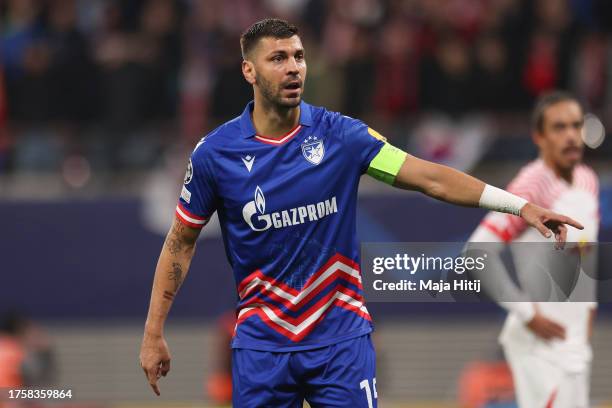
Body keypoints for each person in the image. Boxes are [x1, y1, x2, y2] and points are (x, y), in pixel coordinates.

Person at [139, 19, 582, 407]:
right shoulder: (216, 155)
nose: (293, 67)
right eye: (278, 58)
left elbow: (430, 177)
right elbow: (180, 242)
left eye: (299, 56)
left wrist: (519, 205)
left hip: (341, 341)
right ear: (249, 71)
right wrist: (154, 331)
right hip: (262, 347)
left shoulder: (342, 136)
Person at [468, 91, 599, 407]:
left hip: (574, 344)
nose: (571, 135)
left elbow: (585, 255)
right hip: (541, 345)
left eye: (576, 125)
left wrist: (586, 314)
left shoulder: (588, 180)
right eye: (559, 127)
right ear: (539, 137)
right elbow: (476, 252)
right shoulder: (533, 184)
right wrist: (526, 313)